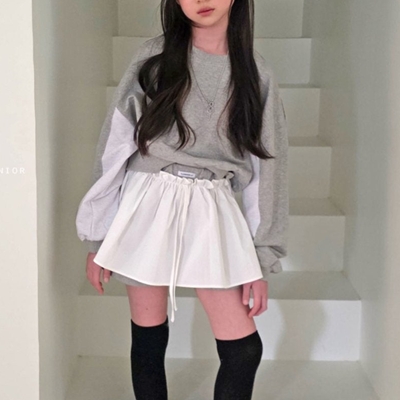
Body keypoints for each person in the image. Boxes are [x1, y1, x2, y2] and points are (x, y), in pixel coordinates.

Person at [75, 0, 289, 398]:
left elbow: (268, 168)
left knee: (243, 350)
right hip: (147, 201)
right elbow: (115, 142)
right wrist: (97, 234)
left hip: (213, 204)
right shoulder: (154, 57)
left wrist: (262, 257)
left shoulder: (256, 72)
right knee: (148, 337)